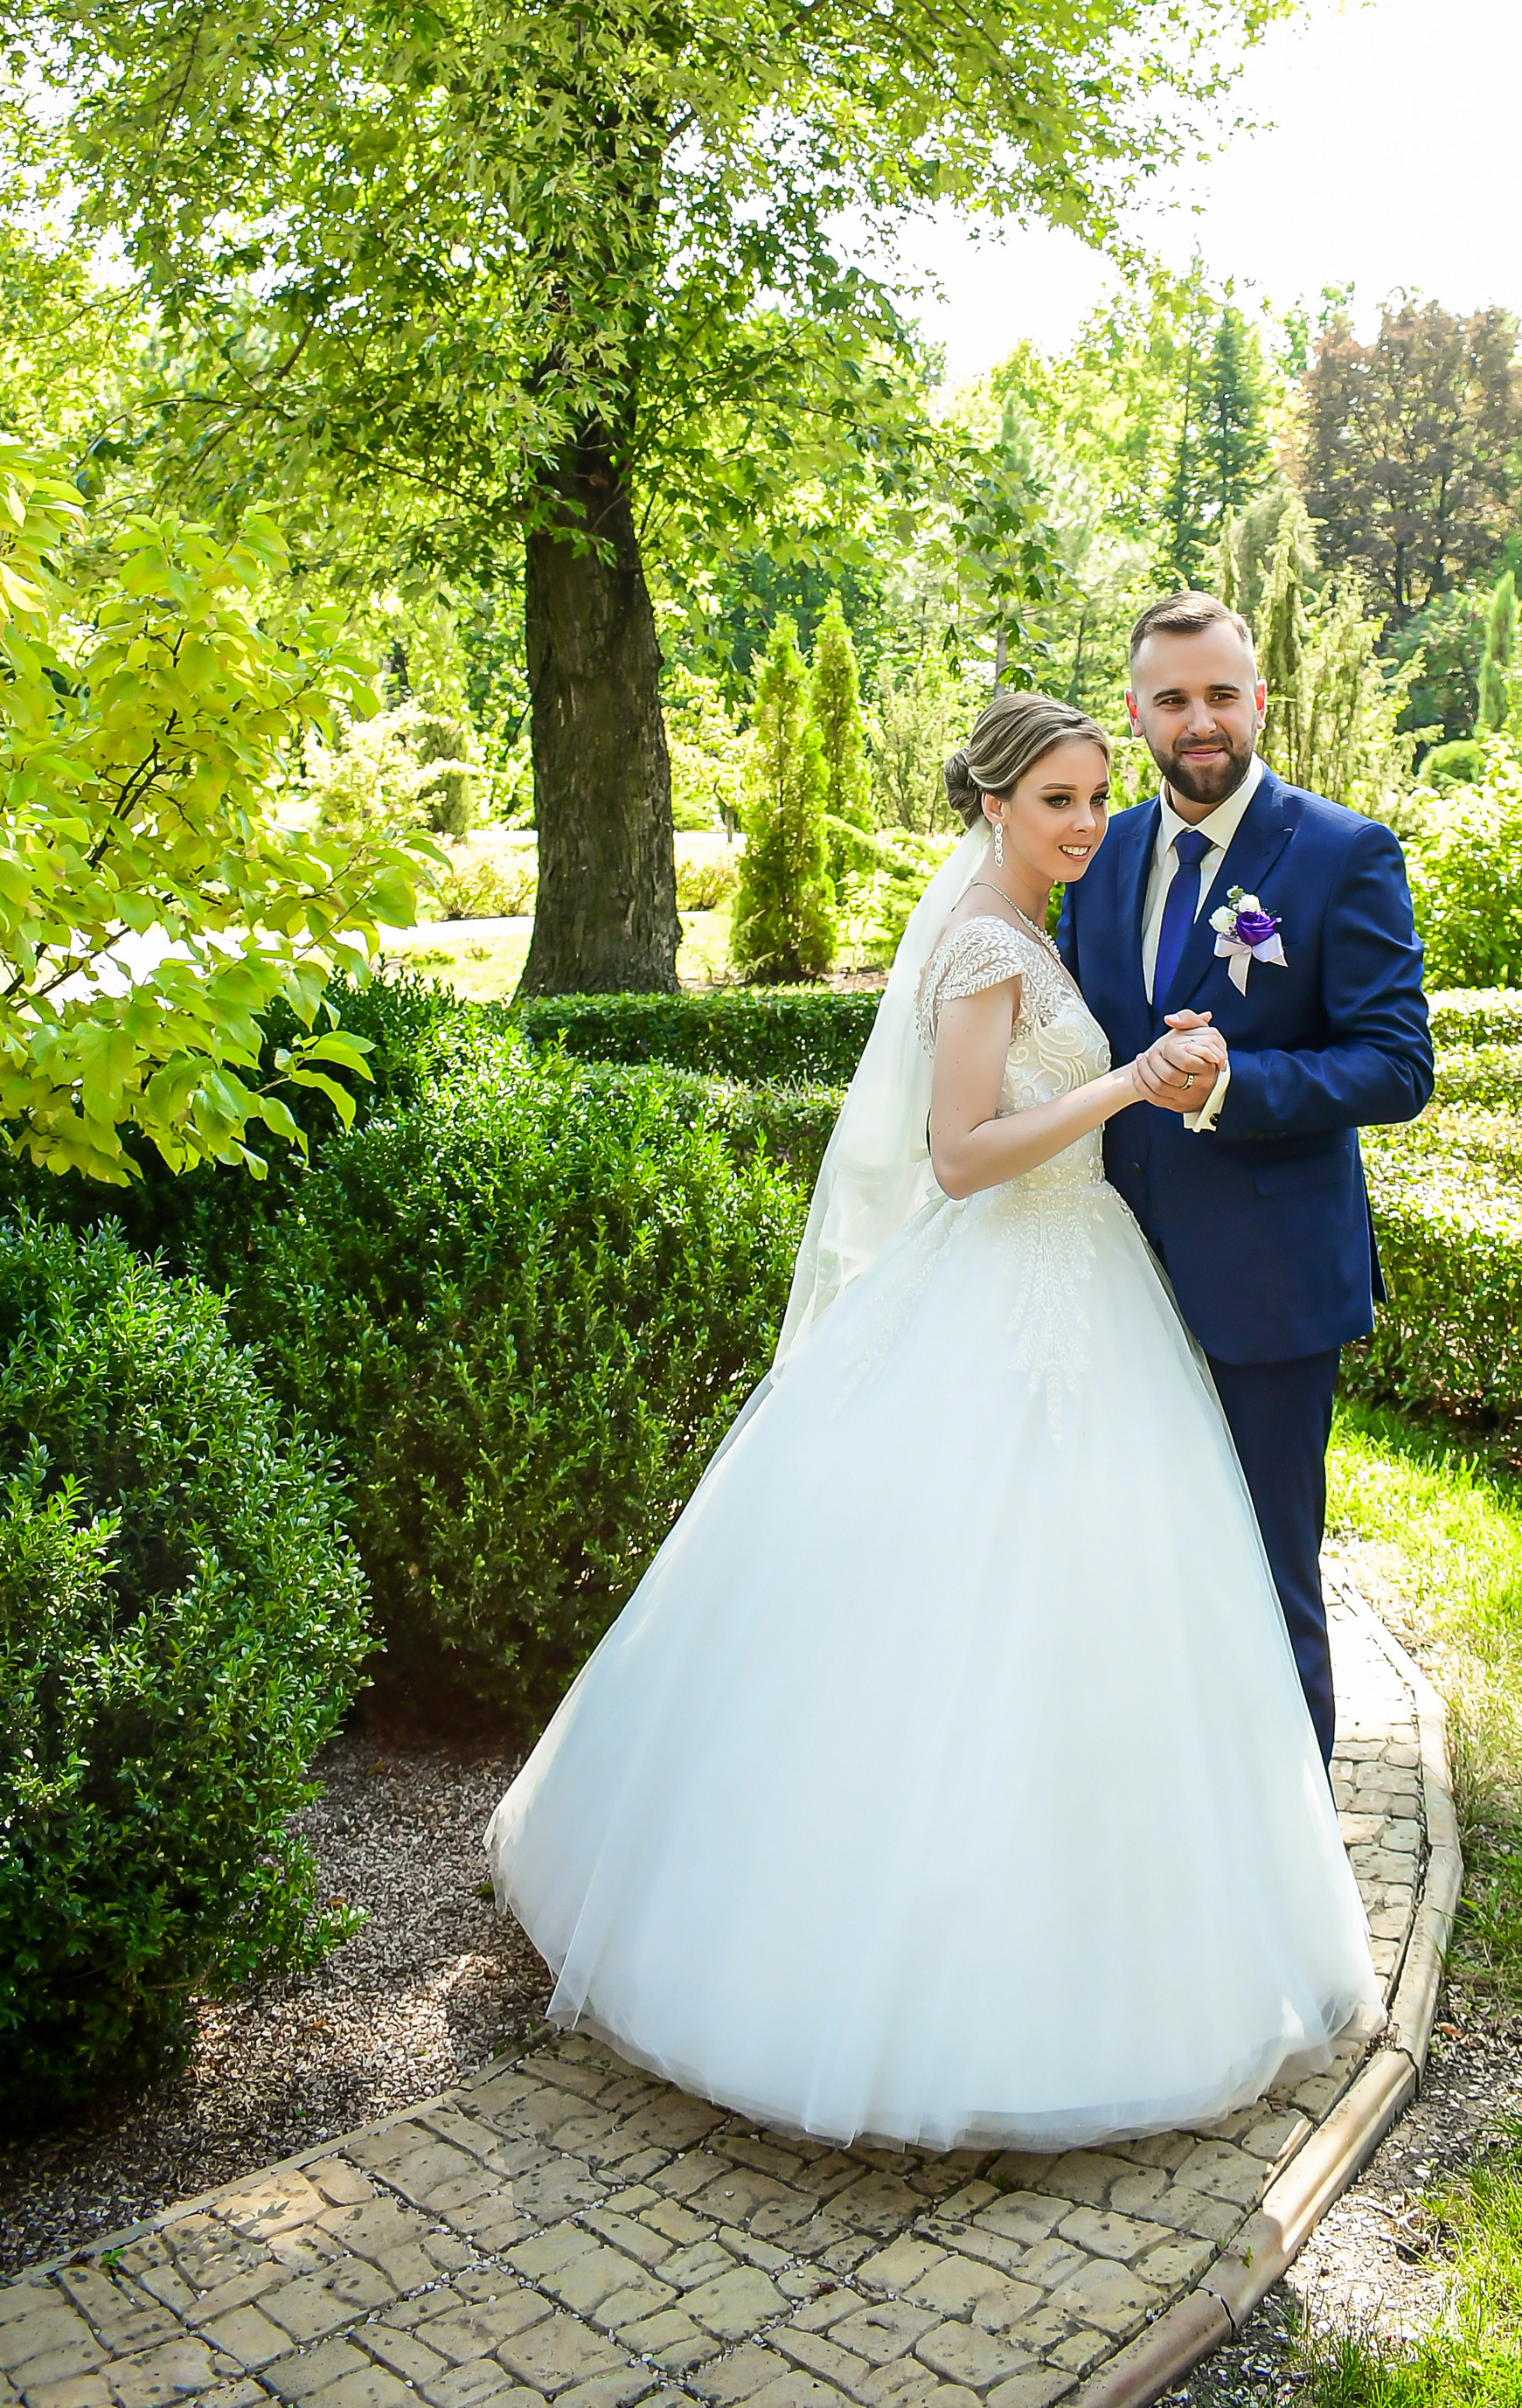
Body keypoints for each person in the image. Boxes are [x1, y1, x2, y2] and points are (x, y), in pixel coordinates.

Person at [484, 690, 1380, 2152]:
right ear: (990, 804)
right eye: (1059, 802)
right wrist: (1127, 1085)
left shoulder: (1026, 923)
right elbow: (959, 1157)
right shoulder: (980, 937)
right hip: (1014, 1278)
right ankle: (914, 1989)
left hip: (1080, 1281)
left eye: (1099, 798)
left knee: (1099, 1618)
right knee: (964, 1623)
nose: (1089, 825)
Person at [1058, 593, 1434, 1762]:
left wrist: (1233, 1084)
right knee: (1124, 1561)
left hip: (1267, 1285)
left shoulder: (1340, 853)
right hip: (1110, 1272)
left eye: (1221, 695)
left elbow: (1396, 1063)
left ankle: (1293, 1871)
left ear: (1258, 701)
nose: (1200, 721)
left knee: (1270, 1573)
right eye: (1173, 701)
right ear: (1138, 715)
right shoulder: (1100, 851)